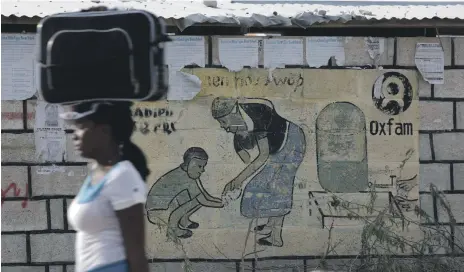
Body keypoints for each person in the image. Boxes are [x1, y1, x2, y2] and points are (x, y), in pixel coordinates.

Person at [62, 101, 150, 272]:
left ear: (104, 131)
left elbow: (136, 253)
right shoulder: (97, 174)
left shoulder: (123, 176)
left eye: (81, 127)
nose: (75, 135)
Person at [212, 97, 306, 247]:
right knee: (270, 185)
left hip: (292, 142)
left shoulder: (255, 113)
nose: (223, 127)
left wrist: (237, 180)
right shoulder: (242, 122)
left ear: (233, 113)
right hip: (279, 148)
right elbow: (247, 157)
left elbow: (262, 156)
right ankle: (270, 225)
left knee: (279, 189)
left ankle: (276, 238)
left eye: (224, 121)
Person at [145, 147, 223, 239]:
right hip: (158, 213)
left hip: (164, 209)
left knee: (196, 197)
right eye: (199, 166)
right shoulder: (183, 177)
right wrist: (221, 204)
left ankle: (183, 221)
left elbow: (204, 195)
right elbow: (203, 200)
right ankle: (174, 229)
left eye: (203, 166)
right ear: (189, 164)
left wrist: (221, 200)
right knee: (197, 200)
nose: (202, 170)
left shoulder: (188, 174)